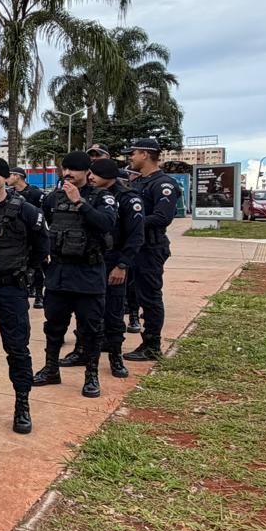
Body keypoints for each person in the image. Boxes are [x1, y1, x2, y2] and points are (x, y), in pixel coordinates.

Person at [0, 158, 49, 434]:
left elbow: (42, 245)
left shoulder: (25, 210)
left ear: (6, 178)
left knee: (17, 349)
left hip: (11, 288)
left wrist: (27, 272)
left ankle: (22, 406)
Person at [33, 152, 119, 398]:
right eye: (65, 169)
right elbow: (46, 226)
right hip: (59, 272)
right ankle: (51, 369)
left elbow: (106, 224)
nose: (68, 174)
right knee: (54, 325)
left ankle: (91, 375)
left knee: (91, 327)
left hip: (88, 272)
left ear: (86, 172)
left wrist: (80, 202)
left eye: (74, 170)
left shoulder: (102, 197)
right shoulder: (52, 198)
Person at [69, 158, 143, 379]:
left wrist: (122, 265)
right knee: (85, 313)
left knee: (113, 313)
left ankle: (115, 358)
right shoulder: (90, 195)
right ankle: (81, 351)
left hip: (114, 263)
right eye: (89, 173)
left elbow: (135, 237)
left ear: (108, 176)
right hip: (91, 263)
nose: (90, 177)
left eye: (95, 174)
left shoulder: (127, 199)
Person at [123, 138, 181, 362]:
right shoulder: (139, 182)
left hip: (151, 247)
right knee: (136, 295)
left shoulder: (163, 184)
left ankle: (152, 345)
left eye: (134, 153)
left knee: (150, 297)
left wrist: (132, 221)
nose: (131, 158)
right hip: (135, 247)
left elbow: (162, 217)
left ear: (145, 154)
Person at [8, 166, 45, 307]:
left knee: (37, 266)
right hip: (17, 236)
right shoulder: (9, 194)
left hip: (33, 234)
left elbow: (44, 213)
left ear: (17, 176)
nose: (7, 179)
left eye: (9, 175)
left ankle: (39, 294)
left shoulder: (35, 193)